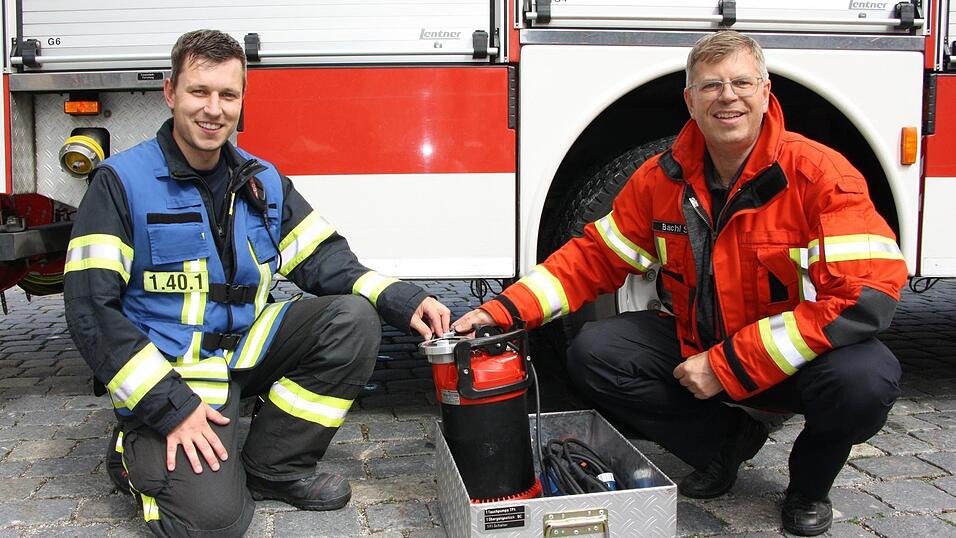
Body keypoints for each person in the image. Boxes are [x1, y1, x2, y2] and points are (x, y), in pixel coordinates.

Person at [453, 31, 907, 536]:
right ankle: (725, 444)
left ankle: (809, 486)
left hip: (797, 358)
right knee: (595, 350)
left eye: (741, 82)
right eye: (711, 86)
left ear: (766, 91)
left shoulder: (821, 175)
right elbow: (592, 258)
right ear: (689, 100)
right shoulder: (661, 179)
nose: (727, 96)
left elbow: (865, 298)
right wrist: (501, 312)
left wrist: (726, 364)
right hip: (705, 339)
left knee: (864, 380)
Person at [63, 29, 450, 537]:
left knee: (352, 319)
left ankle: (275, 465)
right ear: (170, 92)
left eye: (228, 94)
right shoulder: (120, 182)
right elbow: (91, 310)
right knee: (212, 523)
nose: (213, 109)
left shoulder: (261, 179)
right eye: (199, 91)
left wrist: (404, 297)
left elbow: (326, 260)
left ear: (242, 100)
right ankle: (133, 451)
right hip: (175, 373)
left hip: (245, 347)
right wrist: (167, 406)